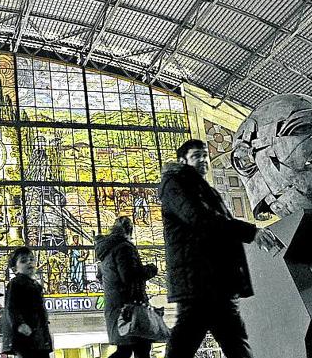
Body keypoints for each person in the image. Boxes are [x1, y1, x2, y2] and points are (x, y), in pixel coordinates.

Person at [159, 139, 282, 358]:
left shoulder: (204, 189)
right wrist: (251, 232)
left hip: (217, 281)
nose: (204, 160)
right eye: (197, 156)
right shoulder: (174, 184)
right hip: (197, 281)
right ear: (182, 160)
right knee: (188, 343)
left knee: (233, 342)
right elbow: (199, 217)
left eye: (205, 155)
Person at [95, 216, 157, 358]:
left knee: (125, 350)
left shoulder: (105, 251)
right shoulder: (124, 247)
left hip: (115, 308)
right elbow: (129, 276)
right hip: (130, 308)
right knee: (142, 348)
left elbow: (101, 278)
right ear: (129, 230)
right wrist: (150, 270)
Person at [2, 247, 53, 358]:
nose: (29, 262)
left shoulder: (35, 285)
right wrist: (19, 324)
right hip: (27, 336)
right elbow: (11, 307)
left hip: (38, 336)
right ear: (15, 268)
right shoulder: (15, 283)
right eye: (23, 261)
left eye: (31, 259)